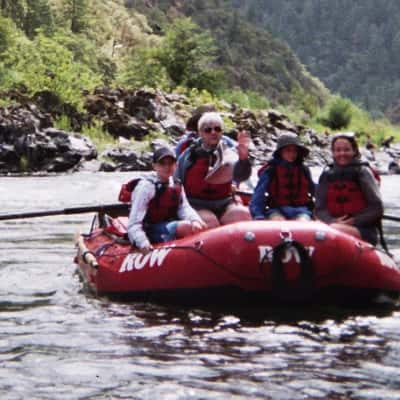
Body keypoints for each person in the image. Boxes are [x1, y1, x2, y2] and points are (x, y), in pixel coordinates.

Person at [175, 112, 251, 228]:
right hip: (196, 203)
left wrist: (243, 159)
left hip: (224, 202)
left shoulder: (229, 152)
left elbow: (241, 176)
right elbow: (176, 181)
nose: (213, 132)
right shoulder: (189, 155)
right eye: (208, 130)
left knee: (243, 215)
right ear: (200, 133)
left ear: (222, 132)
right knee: (210, 222)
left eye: (217, 129)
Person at [126, 146, 206, 254]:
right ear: (154, 166)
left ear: (176, 165)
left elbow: (184, 208)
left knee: (200, 225)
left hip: (167, 224)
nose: (167, 167)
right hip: (149, 229)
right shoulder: (145, 187)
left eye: (170, 163)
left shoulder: (176, 184)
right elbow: (133, 223)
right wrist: (142, 242)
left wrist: (195, 220)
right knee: (186, 227)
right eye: (162, 163)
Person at [315, 132, 383, 245]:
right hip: (332, 225)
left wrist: (353, 221)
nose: (342, 153)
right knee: (327, 230)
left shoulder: (363, 172)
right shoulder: (327, 174)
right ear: (333, 152)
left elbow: (377, 208)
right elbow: (319, 208)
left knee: (332, 230)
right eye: (338, 150)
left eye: (346, 150)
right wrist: (332, 221)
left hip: (362, 229)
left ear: (354, 151)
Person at [250, 132, 315, 221]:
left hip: (301, 210)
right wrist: (258, 215)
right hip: (276, 210)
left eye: (294, 151)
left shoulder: (304, 170)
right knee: (278, 221)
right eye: (288, 150)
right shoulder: (270, 170)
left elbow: (316, 191)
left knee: (302, 221)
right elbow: (258, 195)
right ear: (280, 152)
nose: (292, 154)